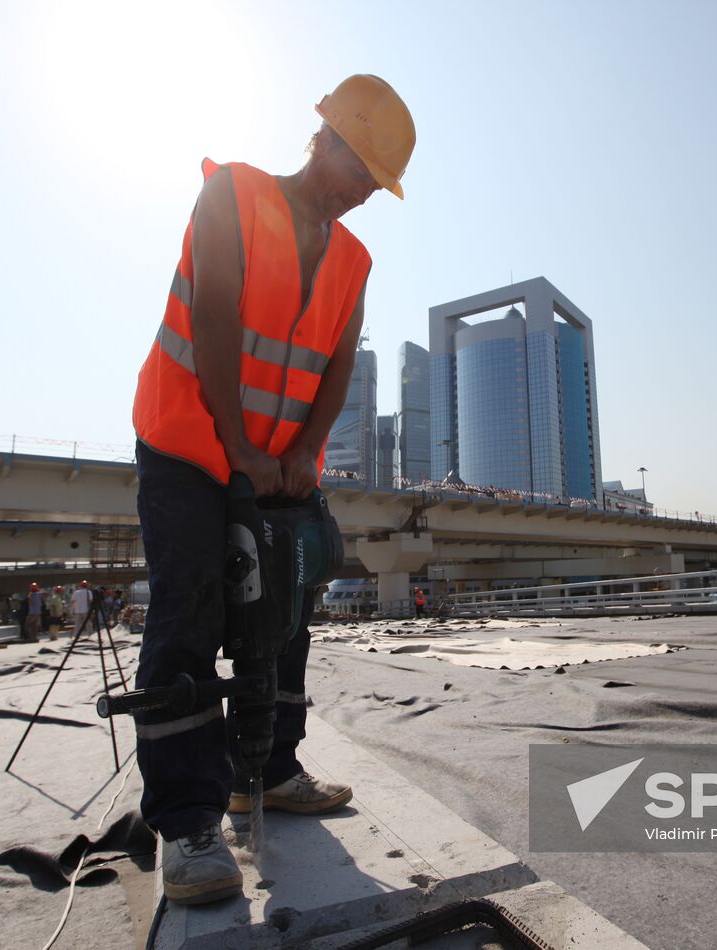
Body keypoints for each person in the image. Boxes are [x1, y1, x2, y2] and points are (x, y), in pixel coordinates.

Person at [130, 74, 415, 906]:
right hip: (188, 444)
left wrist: (303, 454)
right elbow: (214, 317)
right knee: (187, 617)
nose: (360, 193)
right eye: (355, 168)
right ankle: (188, 819)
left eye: (373, 184)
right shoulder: (232, 195)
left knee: (286, 612)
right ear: (322, 136)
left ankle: (272, 767)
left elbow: (333, 371)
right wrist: (242, 446)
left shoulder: (354, 261)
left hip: (277, 463)